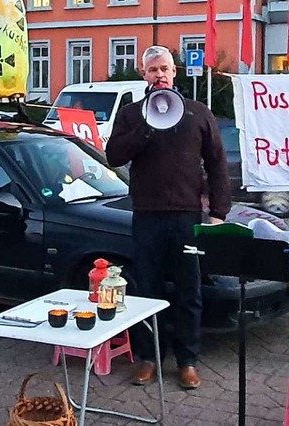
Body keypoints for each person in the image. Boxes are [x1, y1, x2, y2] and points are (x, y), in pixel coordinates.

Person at [105, 46, 230, 390]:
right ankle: (148, 358)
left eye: (164, 69)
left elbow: (218, 162)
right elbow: (114, 155)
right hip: (146, 216)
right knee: (147, 290)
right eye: (152, 70)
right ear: (143, 74)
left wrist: (218, 213)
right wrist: (146, 127)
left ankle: (187, 361)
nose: (159, 75)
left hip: (187, 216)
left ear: (174, 72)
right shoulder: (132, 114)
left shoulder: (197, 113)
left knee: (190, 290)